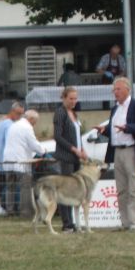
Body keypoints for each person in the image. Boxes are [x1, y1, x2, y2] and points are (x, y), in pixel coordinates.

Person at [98, 76, 135, 231]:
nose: (115, 92)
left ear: (128, 89)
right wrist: (104, 130)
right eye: (114, 90)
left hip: (132, 151)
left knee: (134, 188)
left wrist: (128, 128)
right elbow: (114, 131)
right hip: (117, 152)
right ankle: (125, 222)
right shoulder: (115, 108)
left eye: (118, 89)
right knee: (121, 190)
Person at [52, 87, 89, 232]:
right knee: (65, 190)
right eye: (71, 98)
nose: (73, 101)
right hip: (66, 157)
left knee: (74, 190)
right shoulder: (60, 113)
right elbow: (58, 136)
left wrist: (83, 150)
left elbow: (78, 135)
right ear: (64, 98)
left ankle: (74, 222)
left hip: (76, 158)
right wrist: (74, 149)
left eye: (75, 98)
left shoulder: (74, 113)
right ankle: (66, 223)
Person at [0, 109, 44, 216]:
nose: (35, 124)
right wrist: (43, 151)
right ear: (31, 119)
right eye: (35, 122)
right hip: (21, 161)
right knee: (25, 186)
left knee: (10, 187)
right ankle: (25, 211)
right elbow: (34, 144)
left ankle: (10, 211)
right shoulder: (27, 127)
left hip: (8, 160)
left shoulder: (14, 125)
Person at [0, 102, 24, 214]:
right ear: (12, 111)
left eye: (22, 114)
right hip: (2, 153)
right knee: (5, 180)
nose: (20, 117)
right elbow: (10, 141)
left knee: (1, 179)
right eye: (18, 113)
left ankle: (1, 204)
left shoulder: (3, 120)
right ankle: (4, 205)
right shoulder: (10, 125)